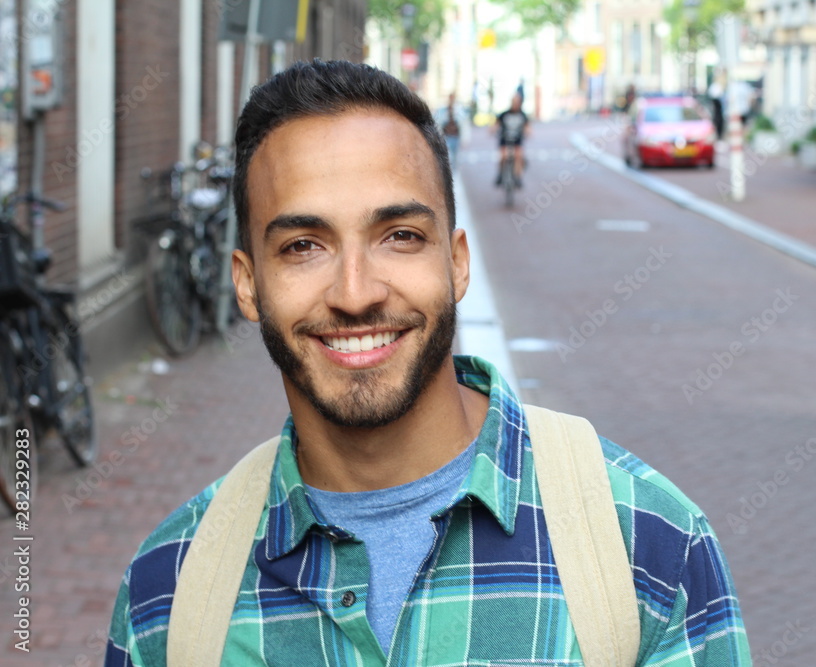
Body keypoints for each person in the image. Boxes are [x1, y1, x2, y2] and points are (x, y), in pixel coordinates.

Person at [104, 60, 751, 665]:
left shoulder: (648, 548)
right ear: (246, 284)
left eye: (400, 237)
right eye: (303, 245)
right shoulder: (168, 598)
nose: (356, 292)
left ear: (457, 260)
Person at [494, 92, 529, 188]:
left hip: (517, 142)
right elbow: (495, 125)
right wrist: (493, 130)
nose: (516, 104)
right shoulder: (504, 114)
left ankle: (517, 177)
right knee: (502, 156)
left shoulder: (523, 115)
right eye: (514, 102)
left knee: (519, 156)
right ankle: (500, 174)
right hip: (505, 141)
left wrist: (527, 132)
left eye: (517, 102)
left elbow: (528, 128)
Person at [436, 92, 463, 168]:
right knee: (447, 156)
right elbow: (439, 122)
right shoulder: (444, 110)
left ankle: (454, 172)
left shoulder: (458, 110)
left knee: (455, 156)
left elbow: (462, 123)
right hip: (447, 136)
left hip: (455, 137)